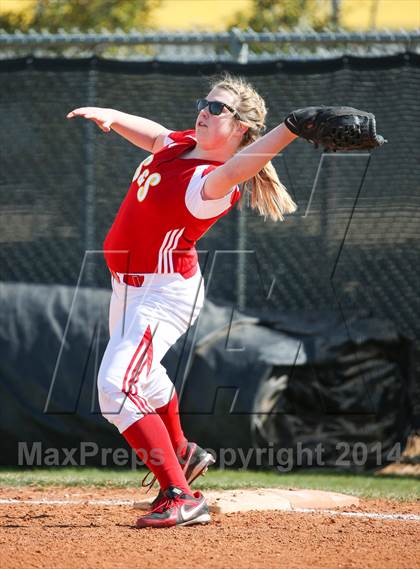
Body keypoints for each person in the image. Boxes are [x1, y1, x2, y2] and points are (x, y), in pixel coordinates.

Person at [67, 73, 298, 528]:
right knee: (144, 379)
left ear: (240, 131)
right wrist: (114, 117)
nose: (204, 111)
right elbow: (155, 134)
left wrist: (290, 127)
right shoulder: (181, 146)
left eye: (218, 109)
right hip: (130, 289)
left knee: (116, 388)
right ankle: (182, 454)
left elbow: (241, 167)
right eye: (204, 102)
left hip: (162, 292)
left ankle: (180, 495)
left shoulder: (212, 182)